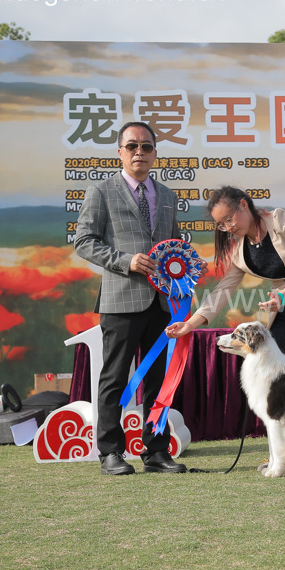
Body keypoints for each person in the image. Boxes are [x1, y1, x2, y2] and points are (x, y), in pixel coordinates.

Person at [166, 185, 285, 472]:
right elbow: (222, 291)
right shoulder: (239, 249)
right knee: (282, 384)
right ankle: (284, 455)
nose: (227, 228)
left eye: (229, 219)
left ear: (244, 205)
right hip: (282, 311)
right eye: (221, 225)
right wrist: (190, 324)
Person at [74, 121, 187, 475]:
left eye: (147, 147)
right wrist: (126, 261)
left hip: (162, 302)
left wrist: (183, 272)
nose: (140, 152)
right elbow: (84, 242)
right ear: (120, 152)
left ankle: (156, 451)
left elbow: (175, 244)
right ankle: (110, 452)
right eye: (133, 146)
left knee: (158, 380)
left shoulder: (167, 196)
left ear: (155, 153)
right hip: (121, 300)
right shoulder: (100, 191)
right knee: (115, 378)